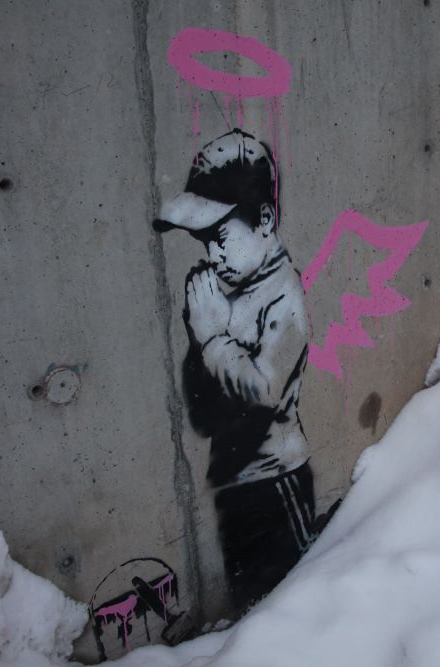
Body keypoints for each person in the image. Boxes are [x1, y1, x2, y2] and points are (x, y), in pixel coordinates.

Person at [154, 129, 315, 612]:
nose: (212, 255)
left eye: (220, 238)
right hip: (237, 487)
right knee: (253, 607)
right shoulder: (227, 293)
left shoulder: (285, 295)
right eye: (204, 243)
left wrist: (212, 338)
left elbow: (265, 389)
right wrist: (202, 333)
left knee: (293, 605)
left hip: (278, 483)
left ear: (264, 220)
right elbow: (204, 412)